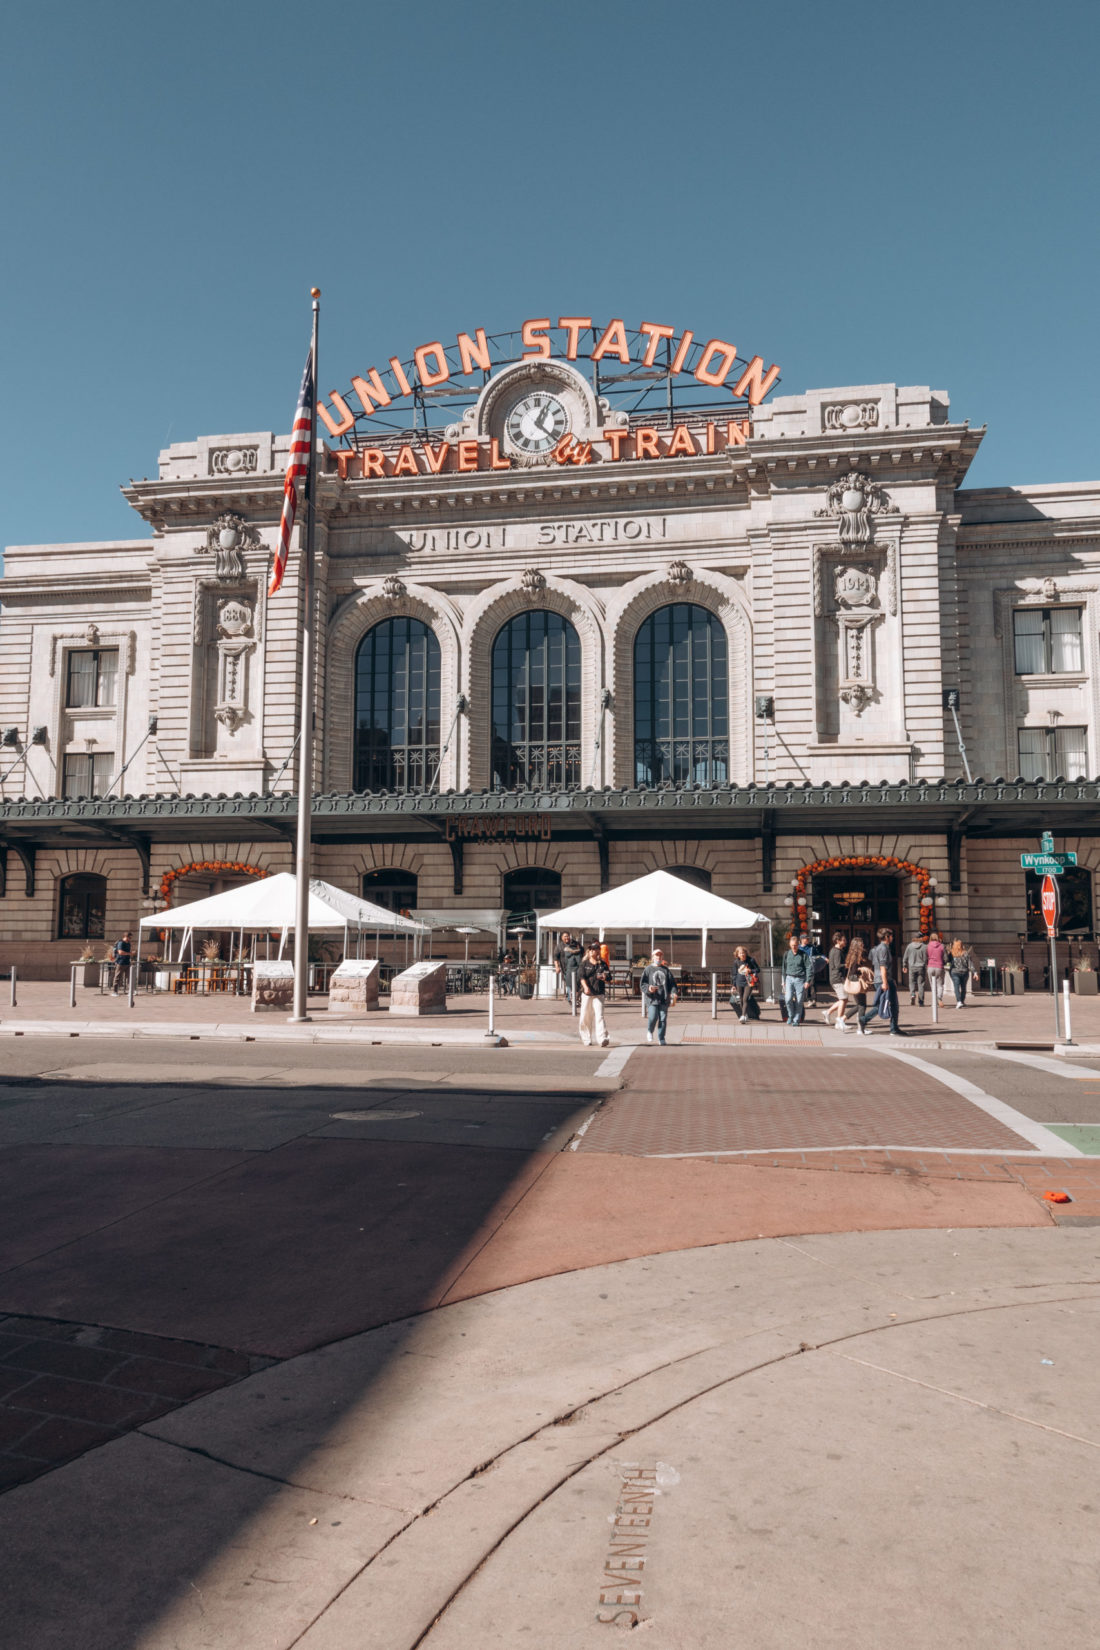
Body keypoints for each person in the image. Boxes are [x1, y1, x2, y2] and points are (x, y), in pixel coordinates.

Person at [858, 925, 903, 1037]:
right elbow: (882, 967)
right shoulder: (883, 948)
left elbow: (873, 962)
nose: (892, 937)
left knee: (889, 1004)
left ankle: (894, 1028)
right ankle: (864, 1019)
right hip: (883, 980)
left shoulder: (876, 948)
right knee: (886, 1004)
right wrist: (885, 982)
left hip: (883, 979)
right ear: (887, 937)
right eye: (891, 936)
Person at [639, 948, 677, 1045]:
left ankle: (661, 1038)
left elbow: (672, 983)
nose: (658, 957)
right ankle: (650, 1031)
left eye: (660, 956)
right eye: (656, 955)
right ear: (653, 957)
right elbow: (642, 984)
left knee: (663, 1019)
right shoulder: (648, 969)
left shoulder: (666, 970)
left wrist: (673, 992)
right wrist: (649, 988)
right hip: (652, 999)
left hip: (664, 998)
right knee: (653, 1016)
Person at [578, 942, 611, 1048]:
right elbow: (582, 977)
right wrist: (586, 987)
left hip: (599, 993)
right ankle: (586, 1038)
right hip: (587, 994)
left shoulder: (603, 964)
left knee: (599, 1016)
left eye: (595, 949)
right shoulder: (585, 963)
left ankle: (602, 1039)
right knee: (585, 1017)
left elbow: (609, 978)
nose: (592, 950)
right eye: (591, 949)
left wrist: (605, 977)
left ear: (598, 951)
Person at [838, 937, 872, 1033]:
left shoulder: (851, 955)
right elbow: (854, 971)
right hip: (857, 982)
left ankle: (846, 1020)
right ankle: (860, 1028)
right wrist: (863, 969)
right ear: (858, 946)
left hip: (853, 981)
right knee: (862, 1005)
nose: (863, 945)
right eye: (861, 944)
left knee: (860, 1005)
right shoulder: (857, 957)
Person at [781, 933, 811, 1027]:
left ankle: (796, 1020)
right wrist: (783, 981)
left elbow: (808, 967)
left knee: (799, 1001)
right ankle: (790, 1015)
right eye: (793, 945)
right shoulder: (786, 954)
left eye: (796, 945)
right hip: (789, 978)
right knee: (788, 998)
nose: (794, 947)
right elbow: (783, 968)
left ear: (798, 944)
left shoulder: (803, 955)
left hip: (800, 979)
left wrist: (807, 981)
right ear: (790, 944)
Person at [822, 932, 849, 1027]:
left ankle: (828, 1012)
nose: (845, 942)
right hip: (837, 978)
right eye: (843, 940)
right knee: (843, 999)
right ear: (838, 941)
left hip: (836, 978)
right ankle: (839, 1022)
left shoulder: (836, 950)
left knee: (844, 1000)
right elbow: (837, 966)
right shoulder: (837, 951)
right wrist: (847, 965)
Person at [729, 944, 761, 1023]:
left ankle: (743, 1016)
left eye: (743, 953)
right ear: (737, 954)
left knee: (745, 998)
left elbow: (758, 969)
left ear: (746, 953)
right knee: (741, 999)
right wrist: (733, 985)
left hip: (749, 982)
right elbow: (734, 974)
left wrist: (751, 970)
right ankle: (745, 1014)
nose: (742, 955)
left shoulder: (751, 960)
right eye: (740, 953)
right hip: (739, 982)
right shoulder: (736, 962)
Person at [554, 931, 583, 1003]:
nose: (567, 938)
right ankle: (570, 998)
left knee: (577, 983)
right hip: (565, 968)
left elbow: (583, 951)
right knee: (568, 983)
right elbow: (555, 958)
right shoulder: (559, 946)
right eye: (565, 936)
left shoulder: (575, 943)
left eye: (568, 936)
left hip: (576, 967)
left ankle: (576, 998)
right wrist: (557, 967)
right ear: (562, 937)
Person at [948, 938, 976, 1008]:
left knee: (956, 987)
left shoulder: (951, 953)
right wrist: (974, 972)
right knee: (963, 988)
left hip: (954, 972)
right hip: (964, 972)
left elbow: (947, 961)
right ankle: (962, 1001)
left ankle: (959, 1001)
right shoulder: (965, 953)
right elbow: (970, 963)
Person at [902, 934, 928, 1006]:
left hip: (912, 967)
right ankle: (921, 1001)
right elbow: (926, 958)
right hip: (921, 967)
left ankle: (912, 994)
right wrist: (925, 964)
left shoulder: (909, 946)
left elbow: (905, 957)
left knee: (912, 982)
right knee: (921, 984)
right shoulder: (924, 947)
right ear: (921, 938)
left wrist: (904, 965)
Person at [111, 931, 133, 995]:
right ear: (126, 937)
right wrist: (129, 953)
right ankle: (114, 991)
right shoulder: (121, 943)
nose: (130, 939)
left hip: (127, 962)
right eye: (129, 938)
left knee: (129, 977)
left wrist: (130, 954)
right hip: (120, 962)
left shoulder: (128, 943)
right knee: (118, 977)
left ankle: (130, 991)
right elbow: (120, 952)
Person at [926, 932, 945, 1003]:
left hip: (930, 966)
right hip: (939, 966)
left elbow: (926, 956)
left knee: (932, 985)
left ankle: (934, 1001)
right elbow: (945, 957)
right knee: (940, 984)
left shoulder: (927, 946)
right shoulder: (942, 946)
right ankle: (939, 997)